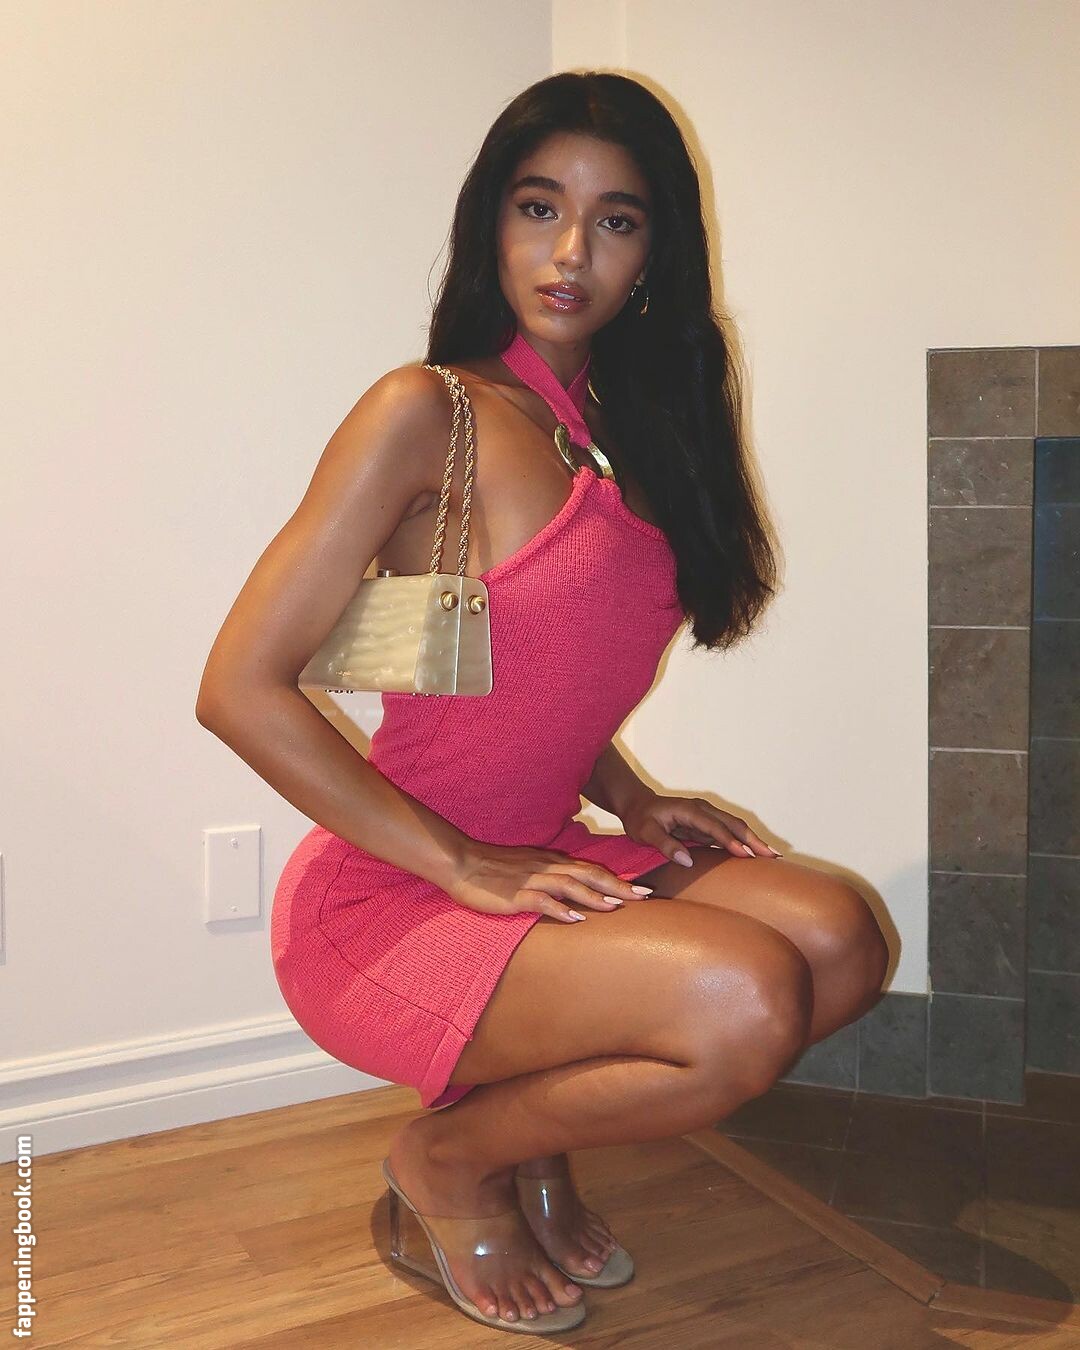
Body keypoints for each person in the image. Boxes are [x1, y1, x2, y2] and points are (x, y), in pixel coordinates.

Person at [196, 71, 889, 1338]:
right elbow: (237, 687)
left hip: (545, 852)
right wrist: (464, 863)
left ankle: (524, 1138)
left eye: (615, 220)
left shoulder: (636, 434)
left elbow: (545, 674)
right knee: (742, 1003)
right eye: (539, 207)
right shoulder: (426, 413)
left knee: (841, 940)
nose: (571, 252)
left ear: (655, 253)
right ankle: (452, 1161)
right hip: (394, 890)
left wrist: (632, 795)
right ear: (491, 223)